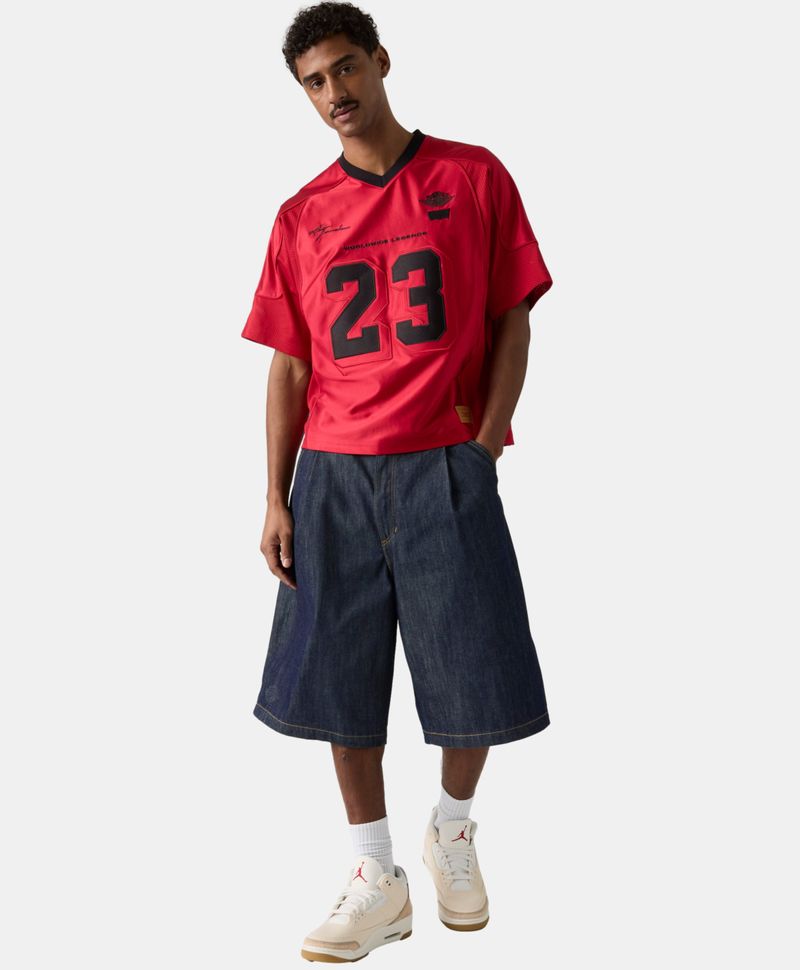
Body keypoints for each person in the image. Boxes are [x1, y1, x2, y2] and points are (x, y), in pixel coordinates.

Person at [241, 2, 553, 962]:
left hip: (442, 462)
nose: (334, 92)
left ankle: (452, 827)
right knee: (342, 676)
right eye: (314, 82)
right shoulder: (301, 215)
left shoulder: (472, 175)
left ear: (381, 61)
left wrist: (484, 444)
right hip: (333, 472)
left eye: (345, 68)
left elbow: (512, 317)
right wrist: (275, 494)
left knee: (474, 664)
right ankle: (376, 875)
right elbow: (290, 364)